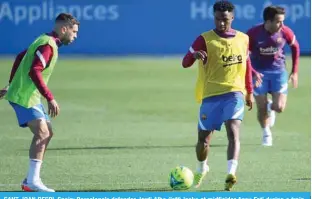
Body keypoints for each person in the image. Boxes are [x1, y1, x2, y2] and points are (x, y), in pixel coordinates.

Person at [0, 13, 79, 192]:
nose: (75, 36)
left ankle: (31, 179)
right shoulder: (48, 45)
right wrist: (50, 97)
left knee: (47, 132)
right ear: (63, 28)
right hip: (24, 96)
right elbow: (35, 71)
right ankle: (32, 181)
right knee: (42, 133)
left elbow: (21, 56)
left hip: (29, 95)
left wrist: (10, 84)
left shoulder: (45, 40)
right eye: (74, 32)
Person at [182, 0, 254, 191]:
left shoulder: (243, 39)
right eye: (217, 19)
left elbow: (247, 68)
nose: (221, 23)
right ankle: (201, 168)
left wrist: (249, 92)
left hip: (234, 94)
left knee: (233, 131)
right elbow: (185, 62)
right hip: (211, 96)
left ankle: (231, 173)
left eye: (225, 19)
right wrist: (195, 55)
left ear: (232, 18)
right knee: (203, 141)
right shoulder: (204, 39)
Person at [247, 6, 300, 146]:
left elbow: (295, 47)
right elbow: (244, 55)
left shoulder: (285, 32)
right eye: (278, 21)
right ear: (268, 21)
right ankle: (266, 133)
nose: (282, 25)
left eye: (282, 21)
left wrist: (294, 71)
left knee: (280, 107)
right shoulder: (253, 34)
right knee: (261, 107)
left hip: (278, 72)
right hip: (259, 73)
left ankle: (272, 107)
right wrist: (252, 72)